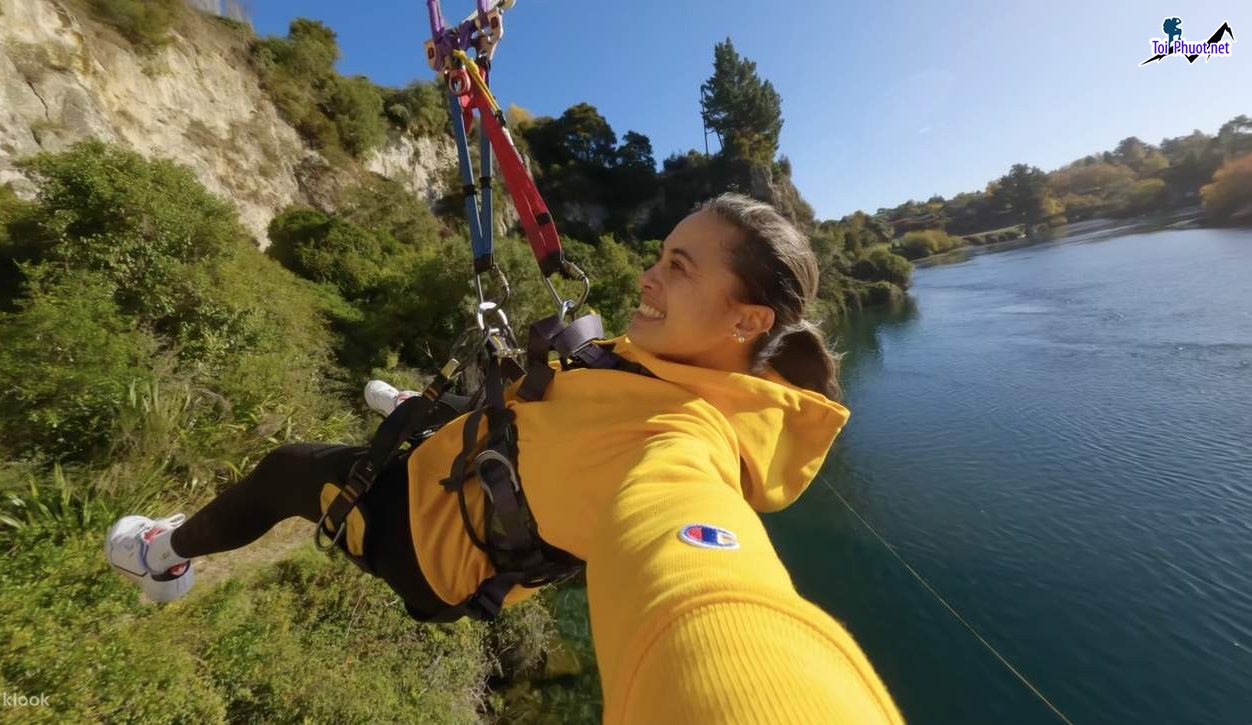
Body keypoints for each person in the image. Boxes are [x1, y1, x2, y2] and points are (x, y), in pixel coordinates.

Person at [105, 193, 903, 723]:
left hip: (430, 541)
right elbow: (562, 401)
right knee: (465, 395)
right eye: (660, 256)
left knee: (287, 469)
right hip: (476, 460)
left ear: (743, 321)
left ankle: (159, 558)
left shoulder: (684, 446)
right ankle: (409, 412)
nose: (647, 276)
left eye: (677, 268)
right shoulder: (664, 358)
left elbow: (704, 579)